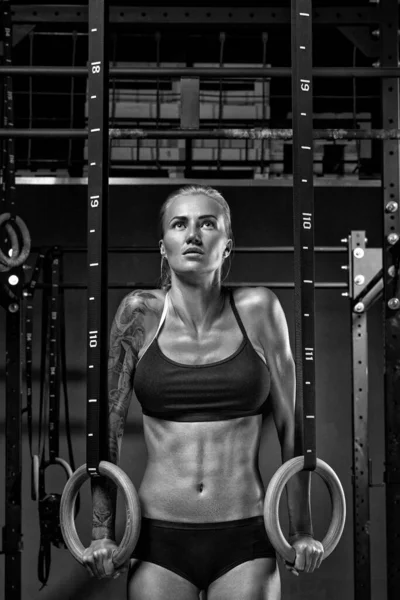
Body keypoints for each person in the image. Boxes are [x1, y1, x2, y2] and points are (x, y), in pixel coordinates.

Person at [82, 185, 324, 599]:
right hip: (159, 537)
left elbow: (293, 428)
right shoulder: (138, 313)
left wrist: (301, 529)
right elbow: (108, 428)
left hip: (245, 534)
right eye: (180, 224)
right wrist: (102, 531)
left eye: (207, 223)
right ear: (164, 246)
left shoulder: (260, 310)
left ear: (227, 246)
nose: (193, 234)